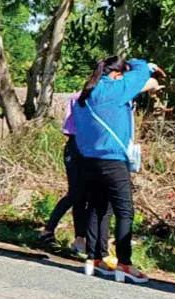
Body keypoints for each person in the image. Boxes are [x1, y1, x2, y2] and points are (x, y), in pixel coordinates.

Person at [72, 57, 164, 283]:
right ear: (117, 74)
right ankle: (124, 263)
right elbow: (141, 73)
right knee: (125, 211)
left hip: (89, 160)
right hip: (113, 161)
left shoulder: (86, 95)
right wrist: (144, 64)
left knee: (97, 207)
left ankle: (94, 259)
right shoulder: (114, 88)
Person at [39, 92, 91, 256]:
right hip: (77, 149)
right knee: (76, 194)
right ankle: (49, 229)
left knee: (85, 195)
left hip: (90, 150)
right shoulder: (78, 98)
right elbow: (68, 129)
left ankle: (80, 239)